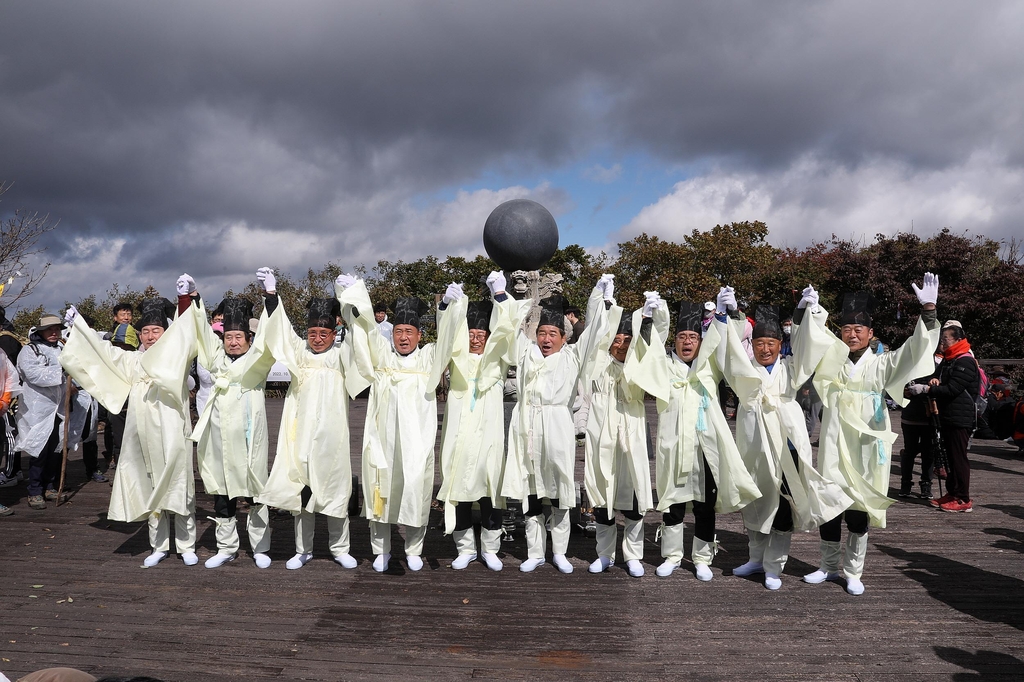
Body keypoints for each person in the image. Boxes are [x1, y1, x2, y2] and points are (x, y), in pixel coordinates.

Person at [804, 274, 941, 596]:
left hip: (866, 441)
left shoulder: (882, 363)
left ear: (870, 334)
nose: (851, 335)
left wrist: (929, 311)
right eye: (846, 330)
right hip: (836, 440)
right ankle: (827, 565)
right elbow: (810, 340)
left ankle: (853, 571)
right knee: (830, 502)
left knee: (858, 505)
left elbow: (913, 350)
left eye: (858, 330)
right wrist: (808, 311)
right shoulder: (832, 361)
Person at [720, 294, 852, 590]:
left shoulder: (791, 368)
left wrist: (805, 311)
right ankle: (755, 559)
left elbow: (809, 346)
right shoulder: (745, 371)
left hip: (787, 447)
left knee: (782, 505)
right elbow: (726, 352)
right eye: (759, 343)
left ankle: (773, 566)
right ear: (751, 346)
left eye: (771, 344)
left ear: (781, 345)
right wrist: (727, 314)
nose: (765, 349)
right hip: (754, 445)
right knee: (754, 502)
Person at [627, 288, 761, 581]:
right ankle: (672, 556)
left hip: (706, 444)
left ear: (701, 341)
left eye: (693, 338)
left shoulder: (709, 365)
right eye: (681, 338)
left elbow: (728, 346)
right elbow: (644, 352)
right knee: (673, 502)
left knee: (704, 504)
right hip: (673, 443)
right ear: (673, 341)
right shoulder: (664, 365)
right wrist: (649, 318)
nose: (687, 342)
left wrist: (732, 315)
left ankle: (701, 558)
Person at [60, 288, 199, 567]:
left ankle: (186, 545)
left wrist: (189, 299)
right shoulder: (132, 360)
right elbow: (101, 354)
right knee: (150, 482)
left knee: (179, 483)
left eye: (156, 330)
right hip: (143, 432)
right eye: (145, 331)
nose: (150, 336)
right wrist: (79, 328)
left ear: (166, 332)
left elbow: (190, 330)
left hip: (173, 430)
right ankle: (158, 545)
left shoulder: (177, 356)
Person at [343, 276, 466, 573]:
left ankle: (413, 549)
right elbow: (365, 330)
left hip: (416, 440)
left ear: (419, 335)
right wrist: (353, 295)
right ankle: (381, 550)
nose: (402, 337)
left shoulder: (429, 359)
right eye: (398, 331)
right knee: (379, 490)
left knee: (415, 490)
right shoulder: (383, 356)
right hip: (382, 439)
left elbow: (449, 336)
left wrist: (448, 305)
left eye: (408, 332)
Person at [254, 268, 372, 570]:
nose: (317, 339)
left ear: (334, 333)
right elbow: (280, 330)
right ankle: (303, 549)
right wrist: (271, 295)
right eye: (312, 334)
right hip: (300, 434)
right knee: (302, 491)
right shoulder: (299, 354)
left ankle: (340, 547)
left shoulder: (339, 356)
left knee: (335, 489)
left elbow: (359, 335)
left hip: (332, 435)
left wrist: (349, 297)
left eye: (324, 334)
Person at [502, 275, 613, 574]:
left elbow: (593, 334)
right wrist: (501, 295)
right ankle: (535, 551)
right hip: (528, 424)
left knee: (561, 490)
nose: (546, 339)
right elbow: (509, 331)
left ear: (563, 338)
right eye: (541, 333)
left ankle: (560, 552)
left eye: (553, 333)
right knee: (533, 490)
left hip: (558, 424)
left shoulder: (573, 356)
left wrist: (599, 299)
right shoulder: (526, 354)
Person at [438, 271, 528, 571]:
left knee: (491, 490)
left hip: (488, 434)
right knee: (459, 488)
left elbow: (508, 331)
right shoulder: (456, 356)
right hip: (460, 433)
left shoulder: (498, 359)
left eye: (481, 336)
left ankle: (490, 548)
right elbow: (445, 334)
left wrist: (500, 296)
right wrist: (447, 307)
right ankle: (465, 548)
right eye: (471, 336)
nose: (476, 340)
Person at [188, 287, 276, 568]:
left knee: (255, 493)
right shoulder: (217, 361)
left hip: (249, 441)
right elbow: (202, 331)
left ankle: (260, 547)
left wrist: (270, 296)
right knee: (223, 495)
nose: (234, 342)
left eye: (239, 337)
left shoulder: (256, 362)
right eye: (228, 337)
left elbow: (271, 334)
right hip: (221, 440)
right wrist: (195, 297)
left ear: (249, 340)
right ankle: (226, 547)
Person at [585, 292, 660, 578]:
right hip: (602, 433)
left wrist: (649, 319)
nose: (620, 344)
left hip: (632, 431)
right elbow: (594, 336)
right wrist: (603, 304)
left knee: (635, 496)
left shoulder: (639, 366)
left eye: (626, 340)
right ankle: (604, 554)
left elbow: (650, 349)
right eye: (617, 340)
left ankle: (633, 555)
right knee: (603, 494)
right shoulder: (598, 365)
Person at [909, 323, 980, 513]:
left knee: (958, 458)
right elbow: (940, 380)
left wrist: (927, 389)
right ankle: (952, 492)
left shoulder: (964, 361)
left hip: (960, 417)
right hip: (948, 415)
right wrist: (932, 382)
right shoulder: (950, 360)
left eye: (945, 339)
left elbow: (953, 389)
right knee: (949, 458)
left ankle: (963, 498)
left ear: (957, 339)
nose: (942, 343)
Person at [16, 313, 73, 510]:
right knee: (39, 449)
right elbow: (33, 374)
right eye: (50, 329)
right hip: (38, 409)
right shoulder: (30, 351)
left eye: (57, 328)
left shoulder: (63, 349)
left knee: (55, 449)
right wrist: (62, 373)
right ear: (41, 331)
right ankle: (34, 490)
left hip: (58, 407)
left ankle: (50, 486)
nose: (54, 332)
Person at [899, 372, 938, 499]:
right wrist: (903, 392)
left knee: (929, 452)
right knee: (909, 452)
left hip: (929, 417)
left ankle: (926, 484)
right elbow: (893, 389)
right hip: (910, 416)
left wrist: (933, 385)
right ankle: (905, 484)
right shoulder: (908, 367)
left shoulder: (936, 367)